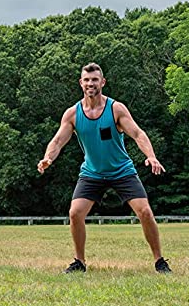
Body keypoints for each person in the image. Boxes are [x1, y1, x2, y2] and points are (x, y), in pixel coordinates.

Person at [37, 62, 169, 274]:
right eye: (87, 80)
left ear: (103, 82)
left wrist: (151, 157)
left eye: (95, 79)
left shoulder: (115, 108)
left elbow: (138, 134)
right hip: (92, 173)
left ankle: (160, 261)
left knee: (144, 211)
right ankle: (79, 262)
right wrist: (48, 158)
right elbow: (58, 141)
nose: (91, 83)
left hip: (121, 171)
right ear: (81, 83)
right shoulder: (72, 114)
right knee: (75, 213)